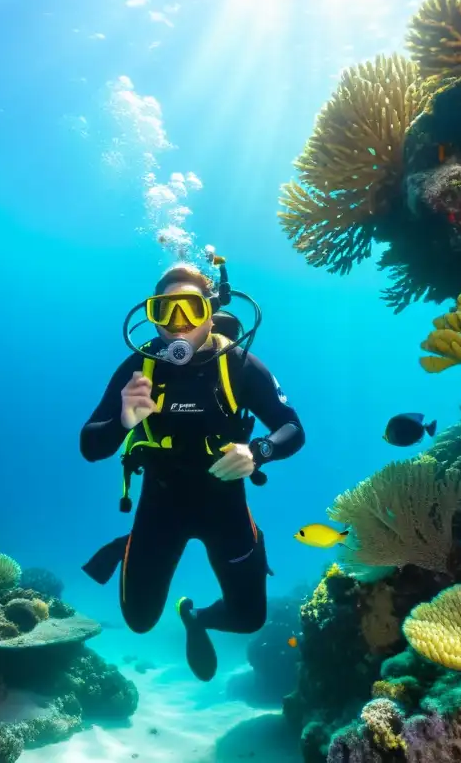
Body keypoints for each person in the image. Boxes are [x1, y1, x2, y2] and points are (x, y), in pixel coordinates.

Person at [79, 260, 305, 682]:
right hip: (161, 505)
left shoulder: (237, 364)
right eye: (165, 312)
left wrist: (260, 451)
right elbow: (91, 445)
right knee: (139, 620)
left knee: (249, 618)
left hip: (226, 505)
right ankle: (132, 545)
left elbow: (292, 427)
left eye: (191, 310)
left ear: (210, 311)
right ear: (152, 316)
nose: (178, 326)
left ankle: (195, 617)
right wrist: (122, 422)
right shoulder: (139, 367)